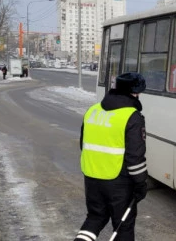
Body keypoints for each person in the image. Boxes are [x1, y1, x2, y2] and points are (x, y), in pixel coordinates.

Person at [74, 72, 148, 241]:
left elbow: (83, 145)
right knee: (123, 225)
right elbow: (135, 157)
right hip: (118, 182)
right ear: (133, 93)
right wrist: (140, 184)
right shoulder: (132, 116)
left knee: (95, 217)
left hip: (92, 177)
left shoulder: (92, 111)